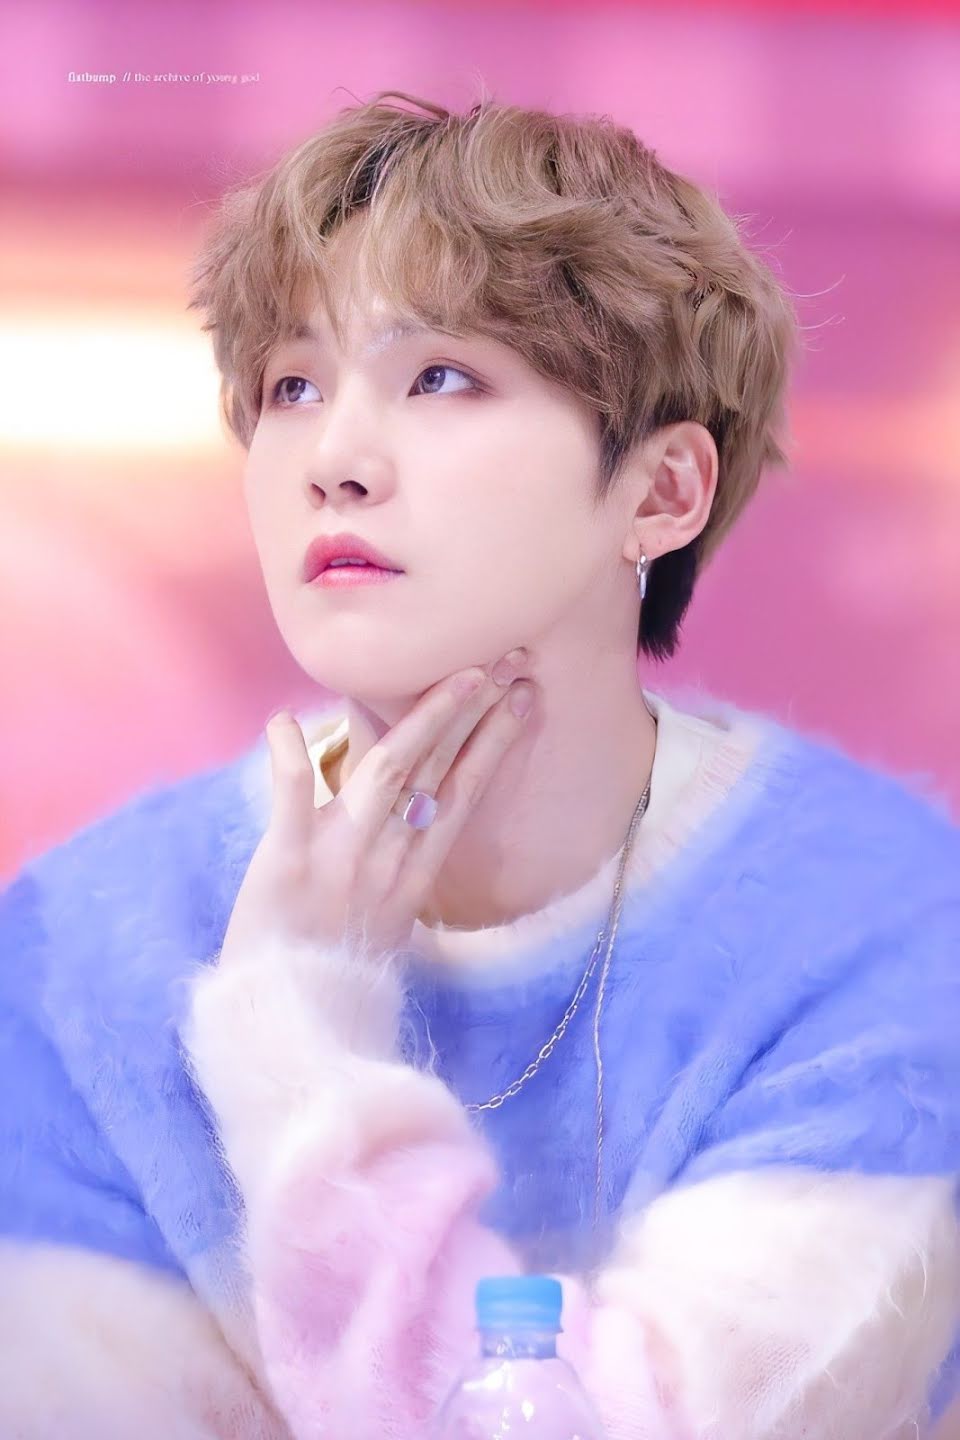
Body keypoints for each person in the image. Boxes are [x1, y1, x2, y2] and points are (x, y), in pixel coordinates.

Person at [1, 88, 959, 1440]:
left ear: (662, 492)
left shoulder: (886, 929)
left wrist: (294, 1041)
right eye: (291, 386)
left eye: (441, 377)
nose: (333, 460)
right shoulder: (73, 953)